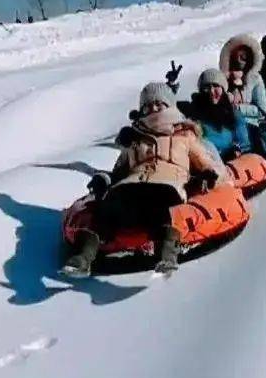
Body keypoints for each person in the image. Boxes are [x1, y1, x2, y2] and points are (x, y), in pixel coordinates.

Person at [62, 82, 226, 277]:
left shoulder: (185, 137)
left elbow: (209, 165)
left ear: (170, 106)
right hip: (131, 185)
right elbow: (118, 172)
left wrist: (207, 176)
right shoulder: (135, 139)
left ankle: (166, 252)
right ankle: (84, 257)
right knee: (108, 206)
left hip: (168, 185)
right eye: (147, 106)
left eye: (159, 104)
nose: (153, 109)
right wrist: (103, 180)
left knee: (156, 203)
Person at [178, 69, 252, 159]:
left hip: (231, 163)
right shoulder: (193, 112)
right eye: (207, 87)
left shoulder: (233, 114)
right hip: (203, 162)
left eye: (216, 86)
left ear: (223, 89)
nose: (211, 91)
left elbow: (244, 144)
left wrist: (236, 151)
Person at [219, 34, 266, 125]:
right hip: (228, 125)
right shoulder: (223, 79)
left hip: (252, 125)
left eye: (244, 56)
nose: (240, 60)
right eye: (237, 55)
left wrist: (239, 108)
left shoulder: (255, 79)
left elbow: (262, 109)